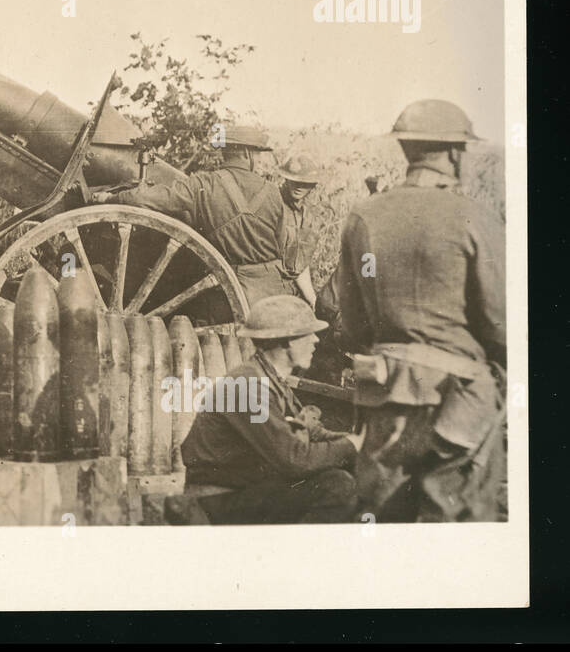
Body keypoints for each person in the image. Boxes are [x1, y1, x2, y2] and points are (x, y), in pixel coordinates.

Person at [332, 99, 505, 522]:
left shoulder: (364, 216)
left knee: (385, 520)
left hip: (385, 398)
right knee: (457, 524)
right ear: (452, 153)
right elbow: (501, 321)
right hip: (457, 398)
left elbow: (350, 320)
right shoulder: (475, 217)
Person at [179, 295, 366, 524]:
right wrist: (350, 447)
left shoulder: (269, 379)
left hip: (246, 490)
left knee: (349, 474)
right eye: (308, 334)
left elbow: (312, 433)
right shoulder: (248, 386)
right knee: (336, 486)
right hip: (218, 501)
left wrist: (360, 444)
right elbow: (293, 459)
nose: (316, 340)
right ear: (287, 340)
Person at [102, 124, 291, 305]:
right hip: (273, 291)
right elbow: (283, 245)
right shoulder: (272, 191)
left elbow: (146, 198)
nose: (258, 159)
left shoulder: (203, 185)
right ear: (247, 153)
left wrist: (109, 199)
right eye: (258, 154)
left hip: (230, 288)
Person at [275, 154, 321, 307]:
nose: (299, 186)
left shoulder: (308, 216)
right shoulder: (273, 204)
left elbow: (301, 261)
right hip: (272, 284)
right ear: (286, 179)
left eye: (305, 183)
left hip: (294, 287)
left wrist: (312, 299)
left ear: (313, 186)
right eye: (294, 181)